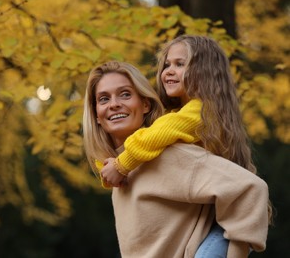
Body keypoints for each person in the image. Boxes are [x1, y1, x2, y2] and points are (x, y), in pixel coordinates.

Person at [98, 35, 273, 256]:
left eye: (180, 64)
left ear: (204, 71)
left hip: (219, 228)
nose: (168, 71)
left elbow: (154, 135)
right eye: (167, 64)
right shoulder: (185, 115)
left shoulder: (199, 111)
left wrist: (121, 165)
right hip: (215, 219)